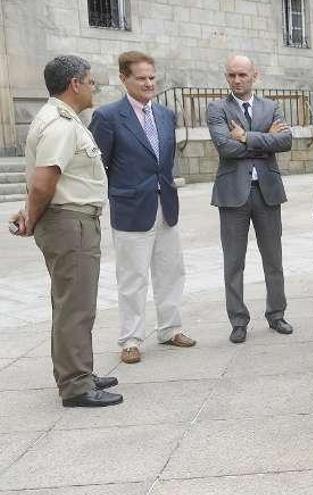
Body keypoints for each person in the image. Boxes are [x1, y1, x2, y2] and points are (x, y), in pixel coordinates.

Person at [10, 55, 122, 407]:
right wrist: (31, 216)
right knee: (75, 305)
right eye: (90, 81)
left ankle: (79, 372)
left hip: (70, 220)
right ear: (75, 84)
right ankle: (76, 385)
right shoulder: (60, 123)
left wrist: (30, 213)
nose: (93, 87)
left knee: (74, 302)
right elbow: (44, 182)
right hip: (69, 223)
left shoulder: (62, 119)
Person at [89, 51, 195, 365]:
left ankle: (170, 328)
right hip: (131, 209)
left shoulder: (165, 115)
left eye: (152, 77)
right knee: (133, 278)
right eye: (141, 78)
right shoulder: (107, 117)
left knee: (171, 272)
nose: (149, 83)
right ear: (124, 79)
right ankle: (131, 339)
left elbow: (164, 160)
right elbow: (99, 166)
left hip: (166, 205)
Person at [207, 55, 293, 344]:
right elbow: (225, 147)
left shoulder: (270, 106)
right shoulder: (217, 108)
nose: (237, 80)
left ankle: (277, 314)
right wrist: (261, 140)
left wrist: (245, 137)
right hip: (232, 194)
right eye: (231, 75)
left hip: (267, 192)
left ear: (255, 75)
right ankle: (238, 320)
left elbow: (285, 141)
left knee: (274, 259)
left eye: (242, 74)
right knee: (233, 262)